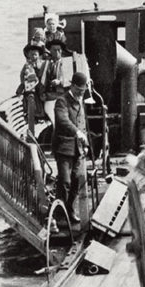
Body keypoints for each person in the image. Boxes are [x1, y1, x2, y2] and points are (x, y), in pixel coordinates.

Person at [52, 71, 89, 224]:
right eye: (79, 90)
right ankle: (58, 215)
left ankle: (69, 210)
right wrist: (77, 133)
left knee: (76, 181)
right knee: (64, 181)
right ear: (72, 86)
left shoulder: (80, 101)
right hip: (64, 148)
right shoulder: (61, 101)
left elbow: (82, 124)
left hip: (78, 149)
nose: (81, 93)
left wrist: (85, 145)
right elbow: (63, 121)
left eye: (84, 91)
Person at [40, 36, 69, 123]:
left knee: (61, 117)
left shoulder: (67, 63)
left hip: (63, 97)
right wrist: (42, 93)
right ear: (50, 51)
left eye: (59, 49)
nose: (57, 52)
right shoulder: (46, 64)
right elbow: (41, 80)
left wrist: (60, 82)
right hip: (49, 98)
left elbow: (71, 81)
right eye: (54, 50)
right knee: (53, 116)